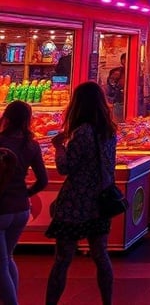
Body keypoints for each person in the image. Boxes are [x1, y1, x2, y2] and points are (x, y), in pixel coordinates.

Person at [45, 82, 117, 305]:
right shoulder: (109, 131)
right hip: (100, 200)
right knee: (100, 254)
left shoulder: (82, 132)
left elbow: (66, 167)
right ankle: (107, 301)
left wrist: (59, 147)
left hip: (75, 203)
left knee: (63, 258)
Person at [0, 101, 48, 305]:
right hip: (21, 208)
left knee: (1, 264)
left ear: (6, 118)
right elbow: (43, 180)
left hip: (1, 208)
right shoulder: (31, 144)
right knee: (8, 257)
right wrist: (26, 193)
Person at [105, 53, 125, 122]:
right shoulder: (117, 72)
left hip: (126, 100)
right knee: (118, 121)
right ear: (122, 61)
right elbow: (111, 84)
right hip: (118, 101)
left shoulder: (134, 71)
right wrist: (119, 89)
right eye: (125, 59)